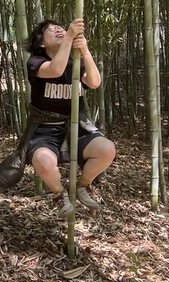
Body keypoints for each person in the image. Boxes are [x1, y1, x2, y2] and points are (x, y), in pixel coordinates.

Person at [26, 18, 116, 215]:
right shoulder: (36, 63)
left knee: (107, 150)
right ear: (41, 43)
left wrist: (85, 50)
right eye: (52, 30)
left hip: (77, 128)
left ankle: (83, 185)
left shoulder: (75, 65)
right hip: (45, 129)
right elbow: (55, 70)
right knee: (43, 161)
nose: (59, 30)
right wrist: (68, 36)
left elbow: (94, 82)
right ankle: (59, 193)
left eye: (61, 28)